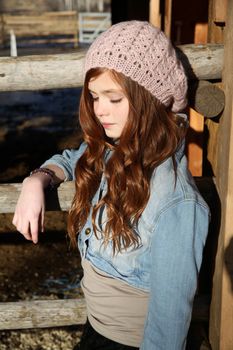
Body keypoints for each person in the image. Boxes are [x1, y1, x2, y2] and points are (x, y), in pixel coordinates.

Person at [12, 21, 210, 350]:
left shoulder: (176, 201)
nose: (99, 110)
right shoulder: (114, 152)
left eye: (114, 98)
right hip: (96, 333)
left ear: (150, 99)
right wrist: (38, 179)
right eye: (93, 96)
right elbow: (76, 157)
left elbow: (168, 324)